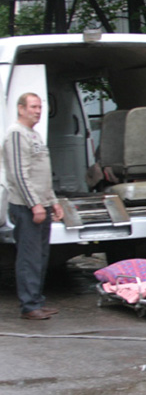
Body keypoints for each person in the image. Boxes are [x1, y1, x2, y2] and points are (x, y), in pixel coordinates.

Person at [3, 92, 65, 320]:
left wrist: (53, 202)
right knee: (29, 257)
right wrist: (35, 205)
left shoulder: (34, 135)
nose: (38, 111)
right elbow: (19, 174)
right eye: (33, 107)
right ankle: (29, 306)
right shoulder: (17, 134)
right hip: (27, 207)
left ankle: (36, 300)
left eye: (40, 107)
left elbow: (42, 174)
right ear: (21, 109)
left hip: (42, 204)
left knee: (40, 256)